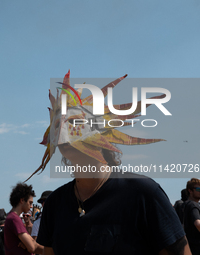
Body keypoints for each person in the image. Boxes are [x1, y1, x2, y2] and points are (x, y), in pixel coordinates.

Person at [29, 71, 191, 255]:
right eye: (58, 125)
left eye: (75, 122)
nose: (64, 131)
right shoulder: (55, 204)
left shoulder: (143, 194)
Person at [4, 183, 43, 255]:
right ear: (22, 200)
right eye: (30, 202)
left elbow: (31, 244)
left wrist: (29, 243)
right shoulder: (14, 218)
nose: (31, 206)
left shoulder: (12, 217)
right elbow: (32, 247)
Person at [183, 178, 200, 254]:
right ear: (190, 190)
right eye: (198, 189)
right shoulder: (193, 205)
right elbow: (198, 224)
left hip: (186, 248)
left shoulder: (183, 205)